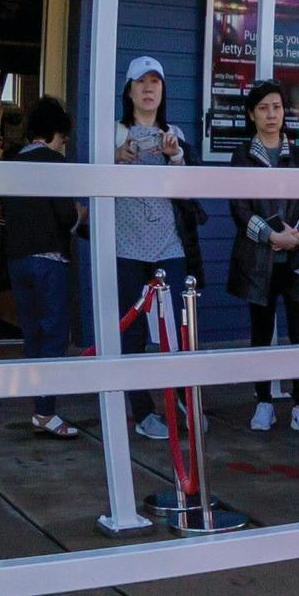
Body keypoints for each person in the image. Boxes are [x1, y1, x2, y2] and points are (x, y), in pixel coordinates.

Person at [109, 54, 203, 444]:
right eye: (141, 82)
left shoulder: (174, 132)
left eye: (156, 82)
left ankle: (184, 398)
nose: (149, 89)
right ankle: (143, 411)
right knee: (131, 330)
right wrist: (116, 156)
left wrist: (176, 155)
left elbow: (190, 189)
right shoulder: (113, 132)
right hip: (125, 244)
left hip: (169, 243)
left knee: (179, 324)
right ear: (128, 90)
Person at [229, 80, 299, 436]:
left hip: (296, 260)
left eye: (276, 107)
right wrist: (271, 235)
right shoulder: (242, 156)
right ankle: (264, 403)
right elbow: (239, 207)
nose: (271, 115)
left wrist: (297, 235)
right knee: (260, 332)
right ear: (251, 114)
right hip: (259, 260)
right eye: (263, 108)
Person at [0, 96, 85, 437]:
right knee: (54, 335)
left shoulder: (13, 161)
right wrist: (80, 214)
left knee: (32, 334)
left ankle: (39, 406)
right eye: (63, 137)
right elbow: (65, 217)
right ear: (55, 133)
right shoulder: (54, 162)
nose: (64, 144)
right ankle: (46, 411)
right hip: (49, 262)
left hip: (18, 260)